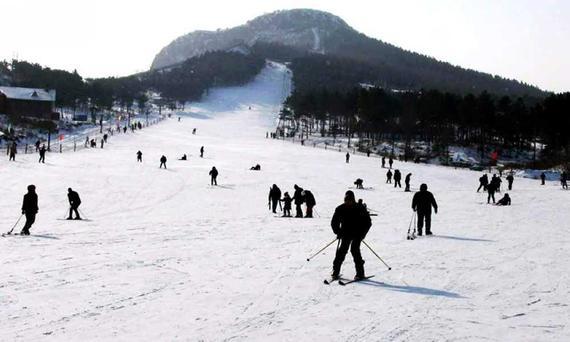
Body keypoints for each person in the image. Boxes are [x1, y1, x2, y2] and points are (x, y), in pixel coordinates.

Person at [331, 190, 372, 280]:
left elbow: (368, 223)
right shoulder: (340, 209)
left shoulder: (360, 208)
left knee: (354, 250)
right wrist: (338, 232)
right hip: (345, 233)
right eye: (346, 200)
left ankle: (360, 273)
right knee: (341, 251)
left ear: (353, 200)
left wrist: (362, 234)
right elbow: (334, 222)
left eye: (350, 200)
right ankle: (335, 271)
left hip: (357, 234)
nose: (348, 202)